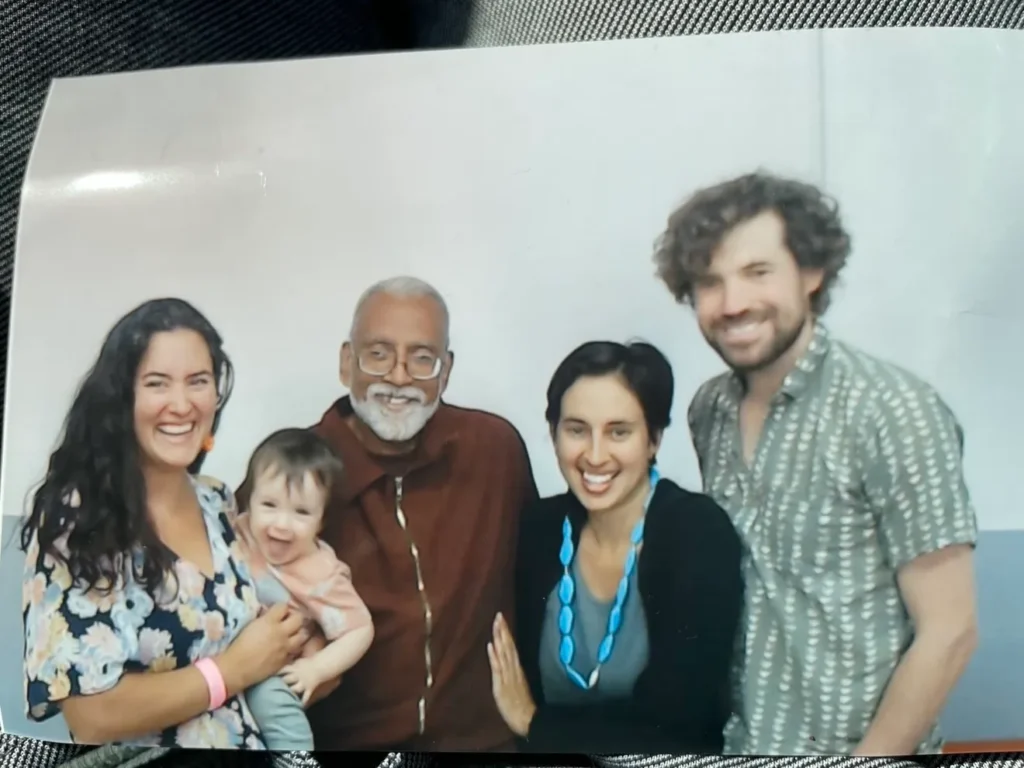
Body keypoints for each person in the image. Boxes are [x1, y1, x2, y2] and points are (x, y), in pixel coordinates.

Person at [653, 171, 979, 756]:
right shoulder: (709, 411)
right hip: (738, 745)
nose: (733, 304)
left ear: (811, 272)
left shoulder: (893, 410)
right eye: (709, 282)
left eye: (757, 272)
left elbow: (950, 631)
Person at [19, 297, 332, 749]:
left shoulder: (217, 501)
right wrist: (232, 671)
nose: (182, 404)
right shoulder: (78, 518)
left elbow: (262, 632)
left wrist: (305, 655)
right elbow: (92, 715)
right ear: (122, 397)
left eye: (198, 381)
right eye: (157, 383)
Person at [305, 276, 538, 751]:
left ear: (446, 370)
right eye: (378, 353)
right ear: (347, 362)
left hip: (484, 747)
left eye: (422, 357)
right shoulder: (295, 469)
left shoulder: (494, 451)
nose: (399, 376)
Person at [486, 340, 743, 753]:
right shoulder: (539, 528)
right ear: (553, 435)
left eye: (618, 431)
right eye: (576, 430)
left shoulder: (697, 532)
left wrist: (535, 722)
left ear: (654, 439)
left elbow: (679, 727)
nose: (595, 455)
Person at [231, 428, 376, 751]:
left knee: (271, 699)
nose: (281, 524)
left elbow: (360, 629)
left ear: (321, 520)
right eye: (269, 504)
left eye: (301, 512)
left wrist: (316, 668)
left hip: (269, 669)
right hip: (220, 652)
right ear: (249, 501)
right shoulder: (235, 531)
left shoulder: (320, 572)